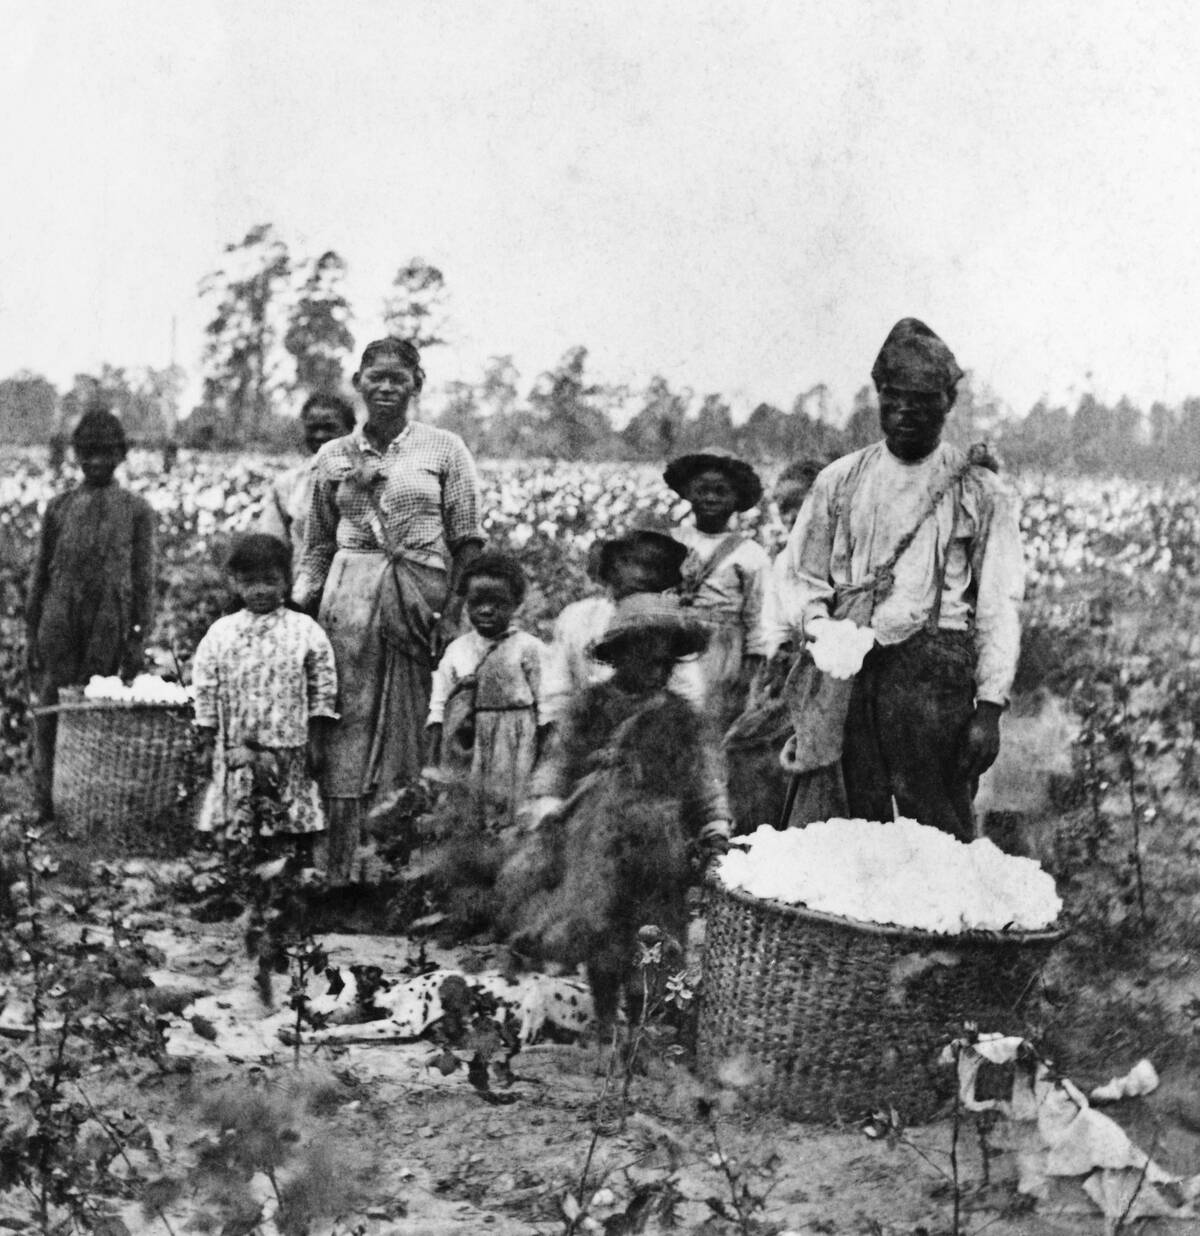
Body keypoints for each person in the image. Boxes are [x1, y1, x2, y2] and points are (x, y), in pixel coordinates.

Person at [777, 318, 1024, 839]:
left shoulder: (979, 491)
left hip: (935, 681)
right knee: (855, 829)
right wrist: (821, 627)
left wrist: (990, 709)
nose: (906, 410)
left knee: (938, 830)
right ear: (879, 399)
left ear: (947, 403)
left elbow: (1000, 604)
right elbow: (800, 574)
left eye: (922, 398)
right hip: (852, 676)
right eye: (893, 397)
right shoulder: (840, 480)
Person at [296, 338, 484, 881]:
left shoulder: (445, 450)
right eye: (374, 376)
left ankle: (402, 871)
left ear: (417, 384)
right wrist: (298, 614)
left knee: (414, 726)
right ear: (357, 382)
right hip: (347, 606)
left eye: (397, 378)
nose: (385, 387)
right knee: (345, 731)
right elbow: (317, 548)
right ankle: (342, 871)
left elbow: (468, 539)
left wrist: (453, 615)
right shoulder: (332, 457)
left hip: (418, 601)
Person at [500, 593, 732, 1031]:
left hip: (661, 842)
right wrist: (547, 803)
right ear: (622, 655)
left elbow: (704, 778)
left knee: (657, 927)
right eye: (648, 656)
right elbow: (560, 758)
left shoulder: (683, 718)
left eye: (667, 661)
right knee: (600, 927)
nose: (659, 669)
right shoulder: (590, 707)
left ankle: (644, 1018)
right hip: (596, 838)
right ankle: (605, 1019)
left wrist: (714, 824)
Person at [25, 405, 157, 820]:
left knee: (96, 706)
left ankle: (88, 801)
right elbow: (40, 573)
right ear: (76, 455)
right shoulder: (59, 507)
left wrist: (137, 636)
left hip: (108, 620)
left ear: (122, 454)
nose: (96, 462)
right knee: (52, 704)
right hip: (60, 618)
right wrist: (32, 633)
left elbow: (144, 579)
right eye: (88, 453)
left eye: (105, 453)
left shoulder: (137, 510)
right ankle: (44, 801)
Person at [191, 534, 338, 866]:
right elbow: (205, 685)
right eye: (249, 582)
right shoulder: (222, 632)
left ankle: (285, 882)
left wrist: (317, 736)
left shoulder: (305, 630)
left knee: (285, 822)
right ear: (235, 584)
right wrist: (206, 735)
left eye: (270, 581)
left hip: (289, 747)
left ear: (286, 580)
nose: (260, 591)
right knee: (240, 820)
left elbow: (324, 683)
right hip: (238, 746)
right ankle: (238, 879)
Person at [426, 551, 550, 830]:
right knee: (468, 809)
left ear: (516, 604)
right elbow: (439, 702)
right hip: (467, 740)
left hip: (516, 739)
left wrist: (544, 752)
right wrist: (435, 750)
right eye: (477, 602)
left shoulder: (529, 648)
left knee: (510, 807)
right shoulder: (457, 649)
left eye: (497, 603)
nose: (485, 610)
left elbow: (546, 704)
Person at [541, 522, 705, 725]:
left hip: (653, 729)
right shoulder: (578, 616)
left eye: (652, 566)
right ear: (610, 568)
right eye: (629, 562)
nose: (640, 573)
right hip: (588, 726)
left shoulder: (671, 623)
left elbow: (689, 690)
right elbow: (557, 687)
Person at [664, 448, 769, 731]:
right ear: (688, 493)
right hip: (673, 645)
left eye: (721, 491)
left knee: (712, 727)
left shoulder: (751, 555)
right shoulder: (672, 541)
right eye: (702, 490)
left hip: (721, 654)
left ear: (737, 500)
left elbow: (758, 621)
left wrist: (750, 677)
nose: (710, 498)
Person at [259, 392, 356, 588]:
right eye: (313, 428)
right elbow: (271, 546)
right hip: (303, 588)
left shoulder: (366, 480)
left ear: (350, 430)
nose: (320, 435)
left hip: (355, 587)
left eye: (329, 427)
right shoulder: (287, 484)